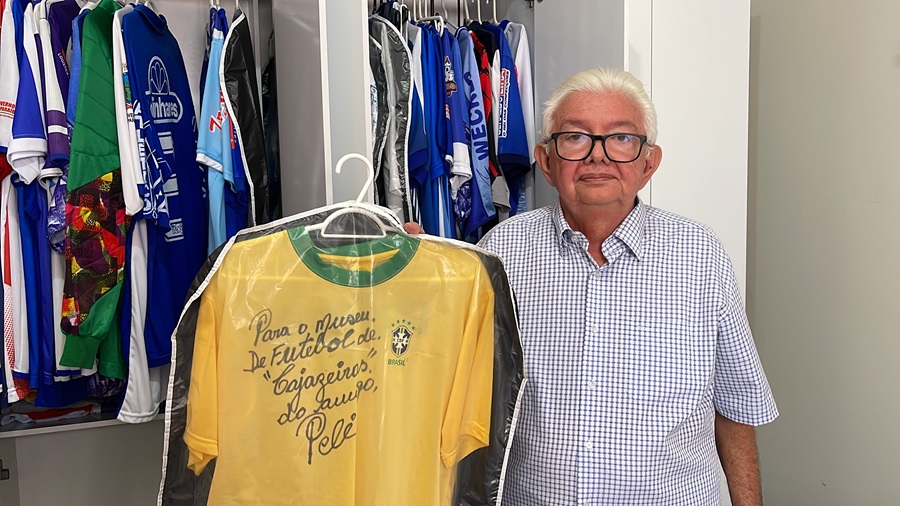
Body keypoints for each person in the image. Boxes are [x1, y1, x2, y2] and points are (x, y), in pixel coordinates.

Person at [405, 67, 778, 505]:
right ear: (546, 162)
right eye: (575, 137)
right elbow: (454, 388)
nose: (597, 156)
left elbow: (735, 409)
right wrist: (418, 286)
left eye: (621, 138)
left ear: (649, 163)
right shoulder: (500, 251)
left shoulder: (700, 255)